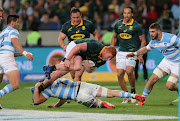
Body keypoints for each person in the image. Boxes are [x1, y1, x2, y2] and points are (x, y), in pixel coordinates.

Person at [126, 23, 179, 106]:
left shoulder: (171, 38)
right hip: (167, 61)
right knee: (152, 79)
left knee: (170, 86)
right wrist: (135, 53)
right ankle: (142, 99)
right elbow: (145, 49)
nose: (151, 34)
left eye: (153, 32)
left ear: (159, 31)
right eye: (150, 32)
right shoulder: (153, 42)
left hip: (177, 64)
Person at [39, 38, 116, 94]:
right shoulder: (95, 45)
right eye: (109, 56)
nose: (108, 59)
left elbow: (90, 71)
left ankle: (42, 84)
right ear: (106, 50)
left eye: (110, 58)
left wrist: (87, 68)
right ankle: (45, 80)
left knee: (73, 69)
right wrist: (67, 59)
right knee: (62, 72)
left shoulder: (102, 61)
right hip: (74, 46)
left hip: (80, 55)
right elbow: (77, 47)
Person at [32, 78, 145, 108]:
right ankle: (133, 95)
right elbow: (63, 98)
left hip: (79, 96)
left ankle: (101, 104)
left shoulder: (48, 91)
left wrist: (37, 87)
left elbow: (36, 101)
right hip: (84, 85)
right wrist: (56, 106)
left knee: (94, 105)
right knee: (112, 92)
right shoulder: (55, 79)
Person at [110, 6, 146, 103]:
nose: (126, 15)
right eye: (125, 13)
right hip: (121, 52)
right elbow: (114, 37)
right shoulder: (118, 24)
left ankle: (133, 91)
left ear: (132, 14)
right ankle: (126, 95)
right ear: (123, 14)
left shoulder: (136, 26)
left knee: (129, 72)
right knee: (119, 74)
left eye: (128, 13)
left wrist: (140, 54)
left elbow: (143, 40)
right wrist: (112, 47)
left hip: (132, 52)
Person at [0, 14, 33, 108]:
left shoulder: (2, 33)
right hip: (6, 58)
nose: (19, 24)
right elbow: (15, 42)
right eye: (18, 22)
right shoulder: (13, 31)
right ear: (12, 22)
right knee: (15, 84)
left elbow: (5, 49)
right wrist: (25, 53)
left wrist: (21, 53)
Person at [58, 7, 100, 81]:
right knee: (73, 73)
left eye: (77, 17)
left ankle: (77, 90)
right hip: (72, 53)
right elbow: (60, 39)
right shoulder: (66, 26)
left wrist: (96, 44)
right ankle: (76, 85)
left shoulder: (88, 24)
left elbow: (95, 33)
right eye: (73, 18)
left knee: (79, 74)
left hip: (84, 52)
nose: (75, 19)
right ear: (71, 17)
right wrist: (64, 46)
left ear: (81, 16)